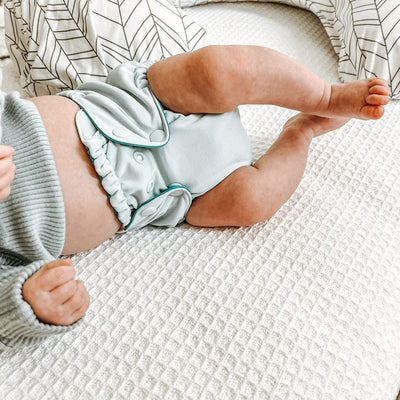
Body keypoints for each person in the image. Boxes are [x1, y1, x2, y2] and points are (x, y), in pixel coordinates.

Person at [0, 45, 390, 349]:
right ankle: (301, 133)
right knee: (251, 201)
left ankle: (324, 96)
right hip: (175, 191)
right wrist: (29, 302)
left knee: (219, 69)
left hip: (141, 105)